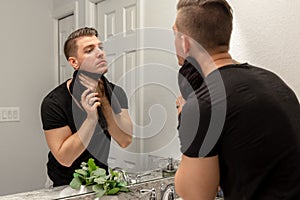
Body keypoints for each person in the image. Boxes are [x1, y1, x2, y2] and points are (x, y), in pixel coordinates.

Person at [173, 0, 300, 199]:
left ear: (184, 42)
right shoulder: (274, 81)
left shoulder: (203, 105)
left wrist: (186, 123)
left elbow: (195, 195)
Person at [41, 27, 133, 187]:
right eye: (89, 50)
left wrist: (104, 101)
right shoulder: (54, 102)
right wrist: (91, 119)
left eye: (100, 47)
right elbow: (65, 158)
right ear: (74, 62)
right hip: (62, 184)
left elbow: (125, 140)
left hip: (100, 182)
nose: (100, 53)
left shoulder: (116, 93)